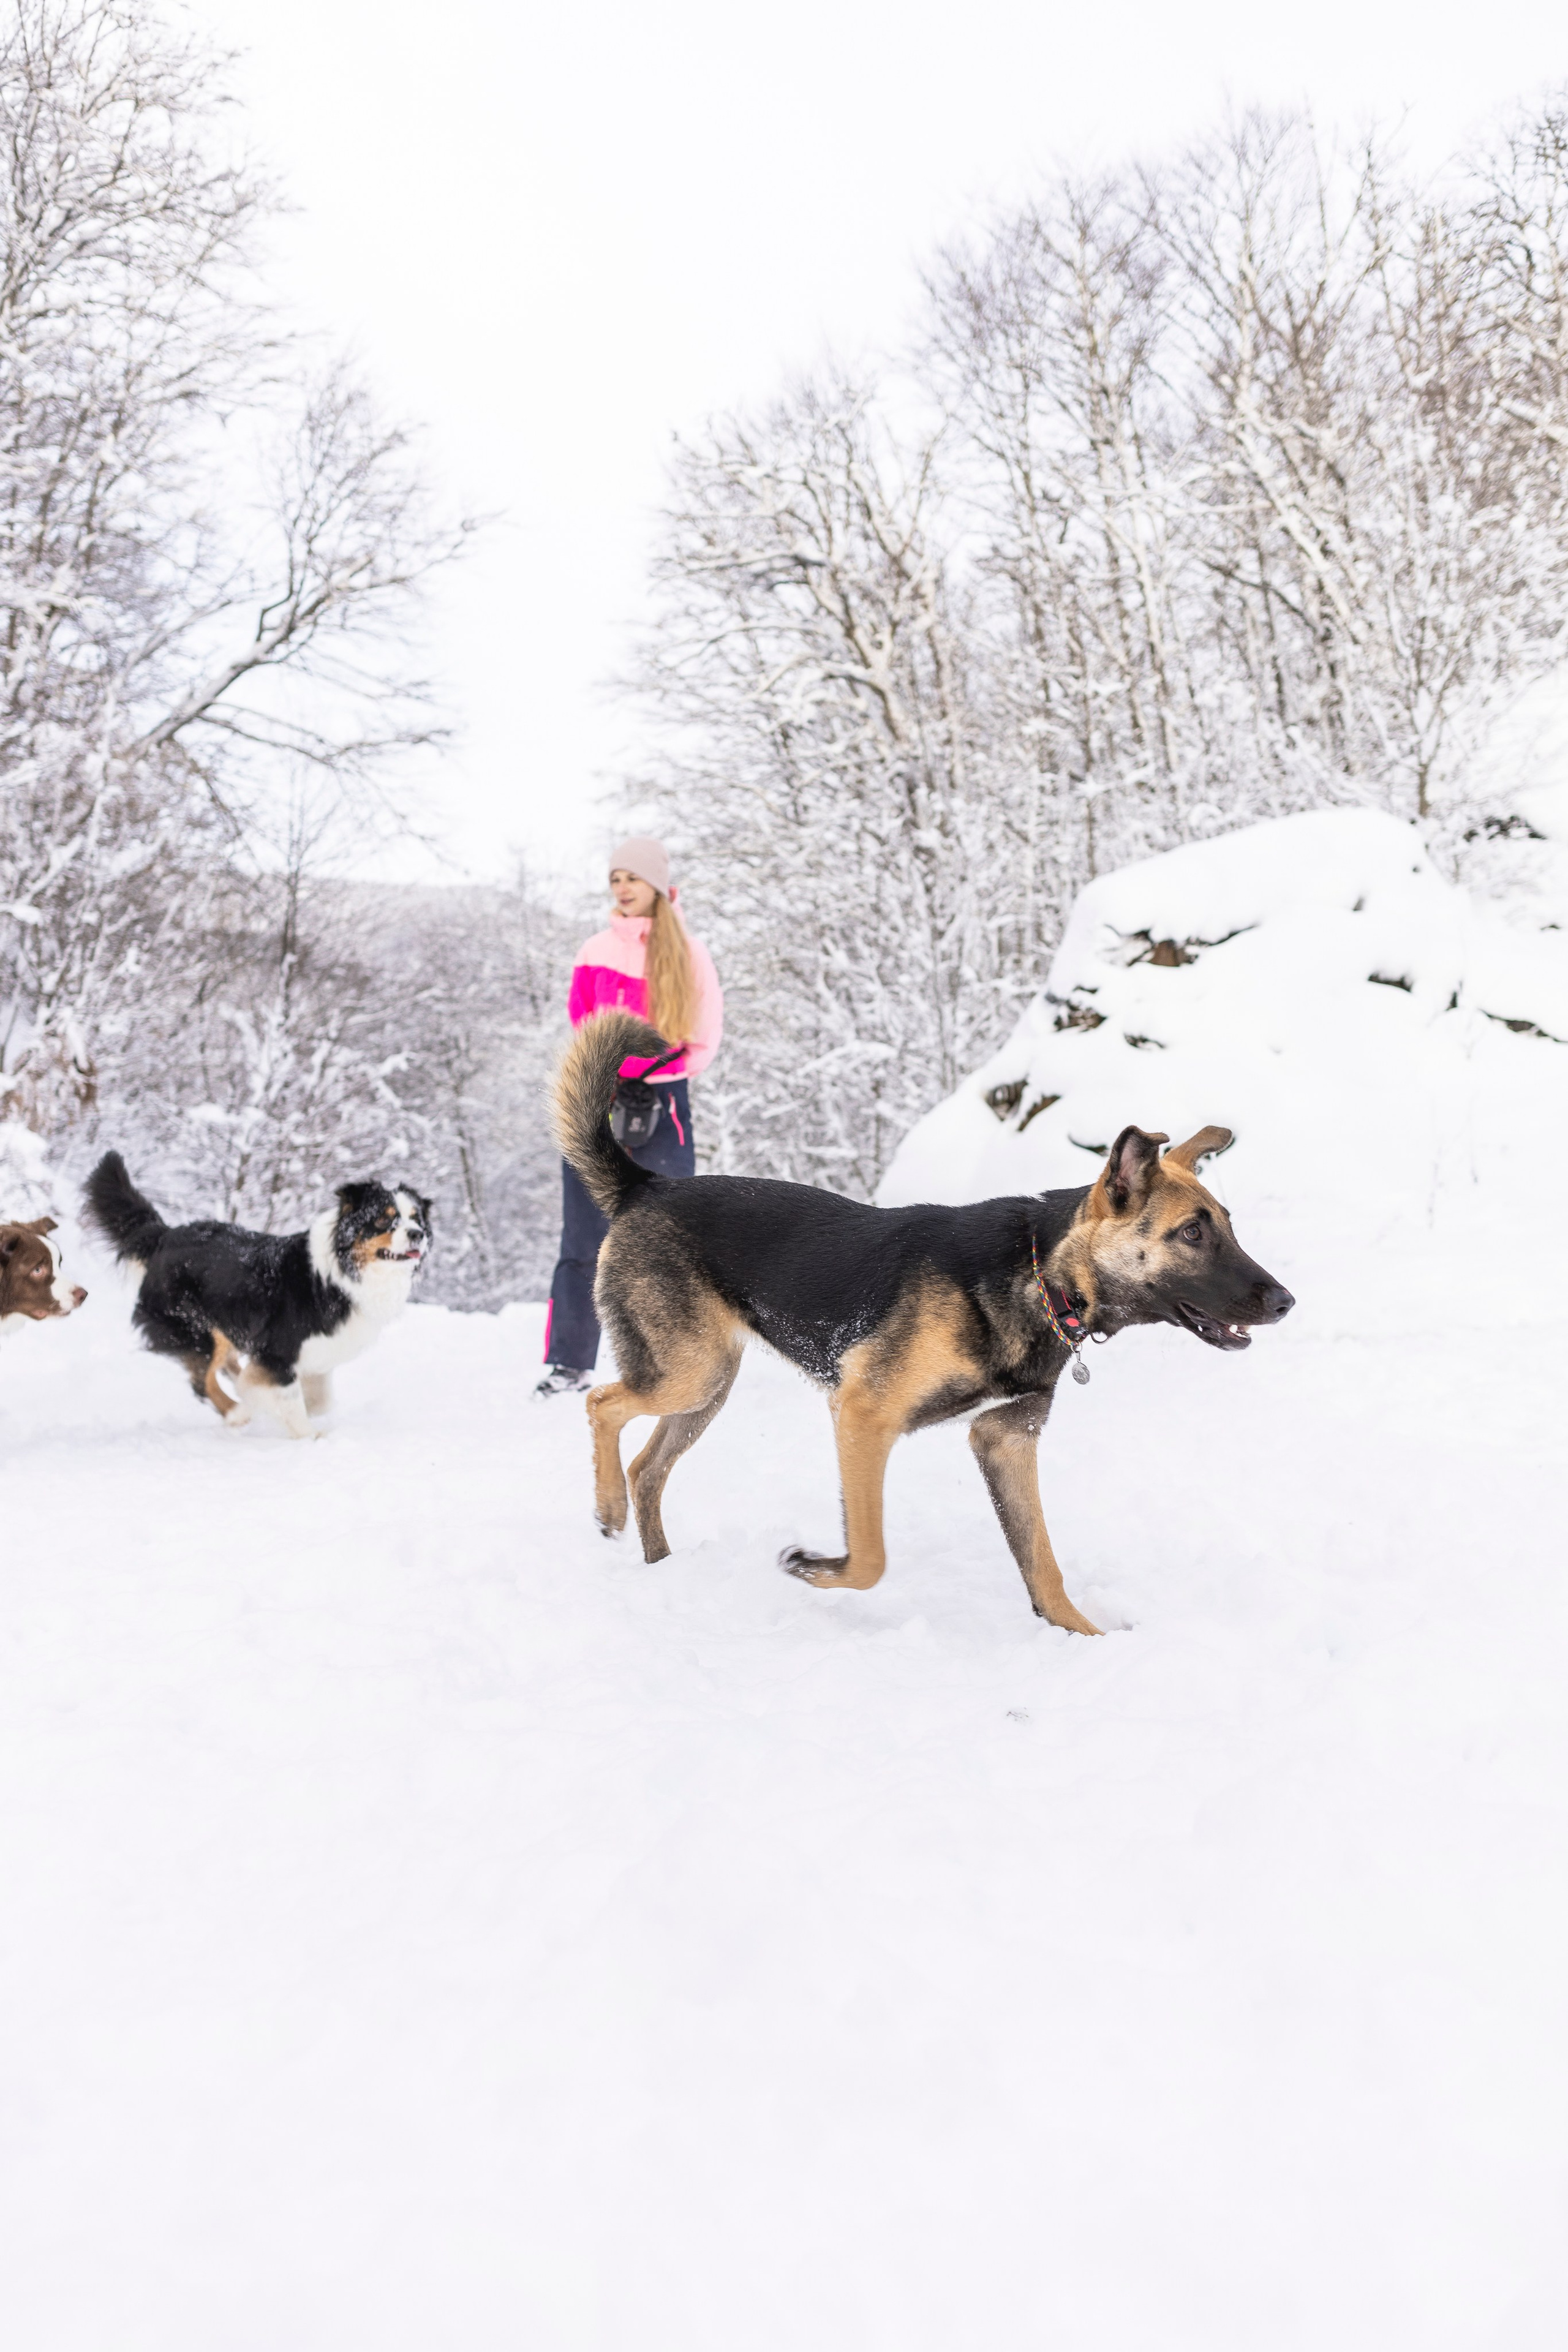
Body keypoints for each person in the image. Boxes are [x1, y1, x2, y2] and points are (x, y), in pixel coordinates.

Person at [536, 837, 723, 1396]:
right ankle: (568, 1363)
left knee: (668, 1239)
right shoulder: (595, 948)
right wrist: (614, 1079)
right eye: (615, 877)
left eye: (632, 878)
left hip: (664, 1105)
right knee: (584, 1239)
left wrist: (651, 1078)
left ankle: (674, 1360)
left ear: (659, 887)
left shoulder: (689, 954)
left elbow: (704, 1037)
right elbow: (581, 1021)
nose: (621, 887)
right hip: (600, 1099)